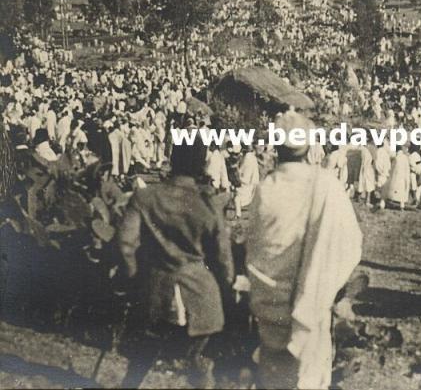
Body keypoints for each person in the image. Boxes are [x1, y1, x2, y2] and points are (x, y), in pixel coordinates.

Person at [246, 111, 362, 389]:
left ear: (276, 146)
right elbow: (350, 246)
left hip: (267, 309)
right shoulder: (326, 186)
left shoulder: (265, 189)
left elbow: (256, 249)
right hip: (311, 309)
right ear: (310, 147)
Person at [117, 141, 234, 389]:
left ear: (172, 159)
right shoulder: (208, 204)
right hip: (199, 293)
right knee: (197, 361)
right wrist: (226, 287)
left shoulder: (146, 196)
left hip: (154, 288)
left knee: (143, 354)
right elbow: (223, 259)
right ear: (202, 166)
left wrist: (134, 280)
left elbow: (126, 245)